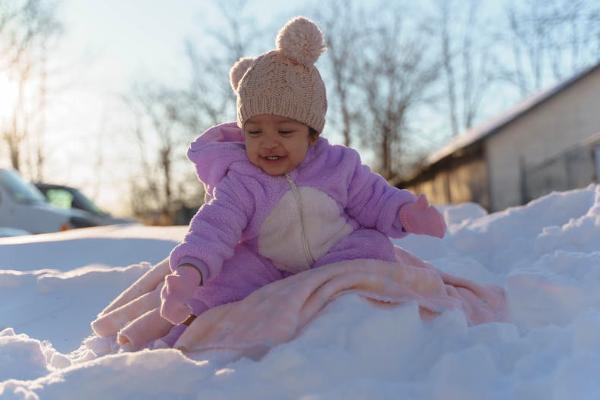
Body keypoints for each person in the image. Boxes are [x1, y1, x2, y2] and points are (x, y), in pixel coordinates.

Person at [157, 16, 446, 346]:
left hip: (336, 252)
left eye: (284, 131)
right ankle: (196, 318)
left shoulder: (337, 165)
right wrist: (190, 272)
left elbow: (375, 197)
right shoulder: (241, 181)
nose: (268, 142)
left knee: (374, 247)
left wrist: (406, 213)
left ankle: (355, 310)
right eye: (254, 132)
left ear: (311, 134)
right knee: (226, 276)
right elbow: (214, 228)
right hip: (269, 267)